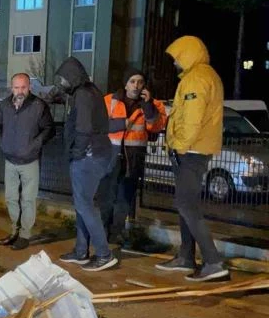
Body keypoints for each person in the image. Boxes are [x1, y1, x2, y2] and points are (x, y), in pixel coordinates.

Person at [157, 35, 229, 282]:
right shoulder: (206, 75)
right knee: (185, 204)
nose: (175, 61)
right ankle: (186, 256)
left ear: (188, 54)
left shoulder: (196, 78)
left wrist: (179, 145)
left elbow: (192, 119)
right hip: (195, 149)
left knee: (186, 204)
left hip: (191, 151)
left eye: (177, 56)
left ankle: (213, 262)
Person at [53, 57, 118, 271]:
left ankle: (103, 254)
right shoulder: (90, 91)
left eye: (63, 79)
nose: (61, 83)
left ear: (72, 77)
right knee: (83, 203)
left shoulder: (82, 94)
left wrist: (77, 153)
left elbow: (83, 128)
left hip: (88, 157)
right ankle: (81, 251)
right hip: (95, 154)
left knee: (85, 205)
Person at [99, 68, 168, 245]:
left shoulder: (152, 104)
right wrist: (122, 124)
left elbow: (156, 127)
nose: (136, 85)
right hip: (110, 156)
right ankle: (102, 232)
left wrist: (148, 106)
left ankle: (116, 233)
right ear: (125, 83)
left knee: (124, 199)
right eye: (132, 81)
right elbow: (98, 124)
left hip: (133, 158)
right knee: (107, 197)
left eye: (140, 82)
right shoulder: (109, 100)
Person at [0, 74, 55, 250]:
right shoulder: (5, 105)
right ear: (11, 88)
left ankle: (25, 235)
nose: (20, 91)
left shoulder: (39, 106)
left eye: (23, 87)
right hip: (10, 160)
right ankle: (15, 231)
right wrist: (3, 143)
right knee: (11, 198)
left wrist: (34, 145)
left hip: (30, 161)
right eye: (16, 87)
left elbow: (49, 129)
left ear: (29, 87)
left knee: (28, 200)